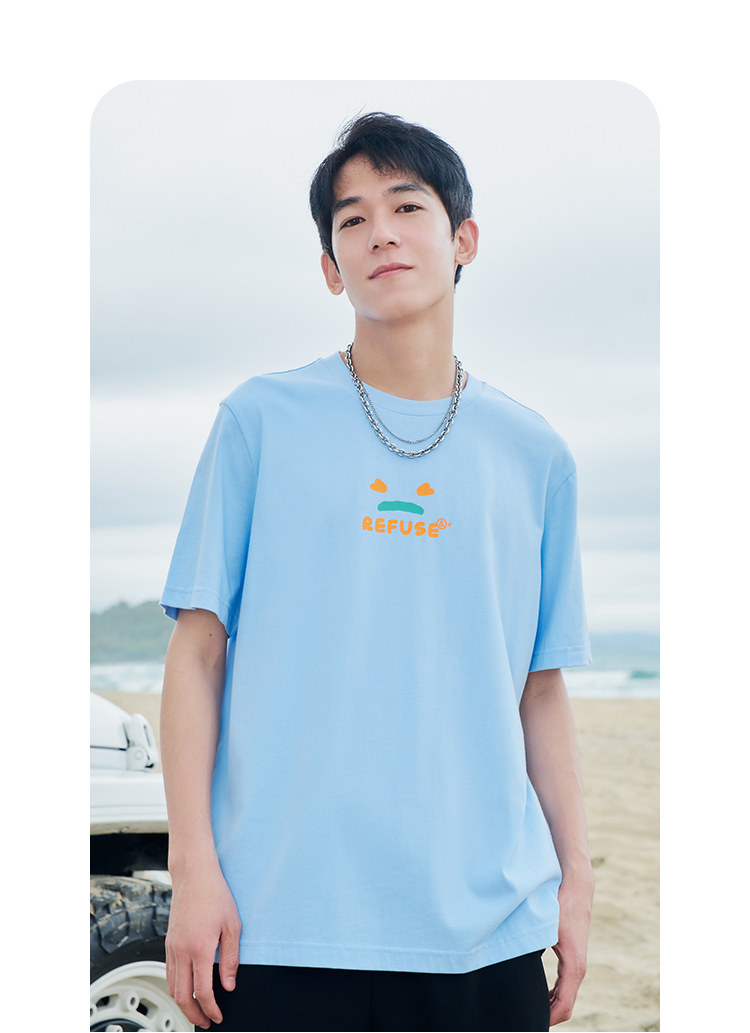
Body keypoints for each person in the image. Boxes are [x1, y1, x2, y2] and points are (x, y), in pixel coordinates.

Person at [159, 111, 595, 1032]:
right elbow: (198, 654)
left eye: (407, 206)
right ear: (331, 268)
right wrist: (193, 869)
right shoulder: (259, 422)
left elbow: (539, 686)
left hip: (486, 932)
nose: (380, 233)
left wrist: (577, 882)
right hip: (281, 919)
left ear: (463, 239)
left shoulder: (535, 453)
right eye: (351, 219)